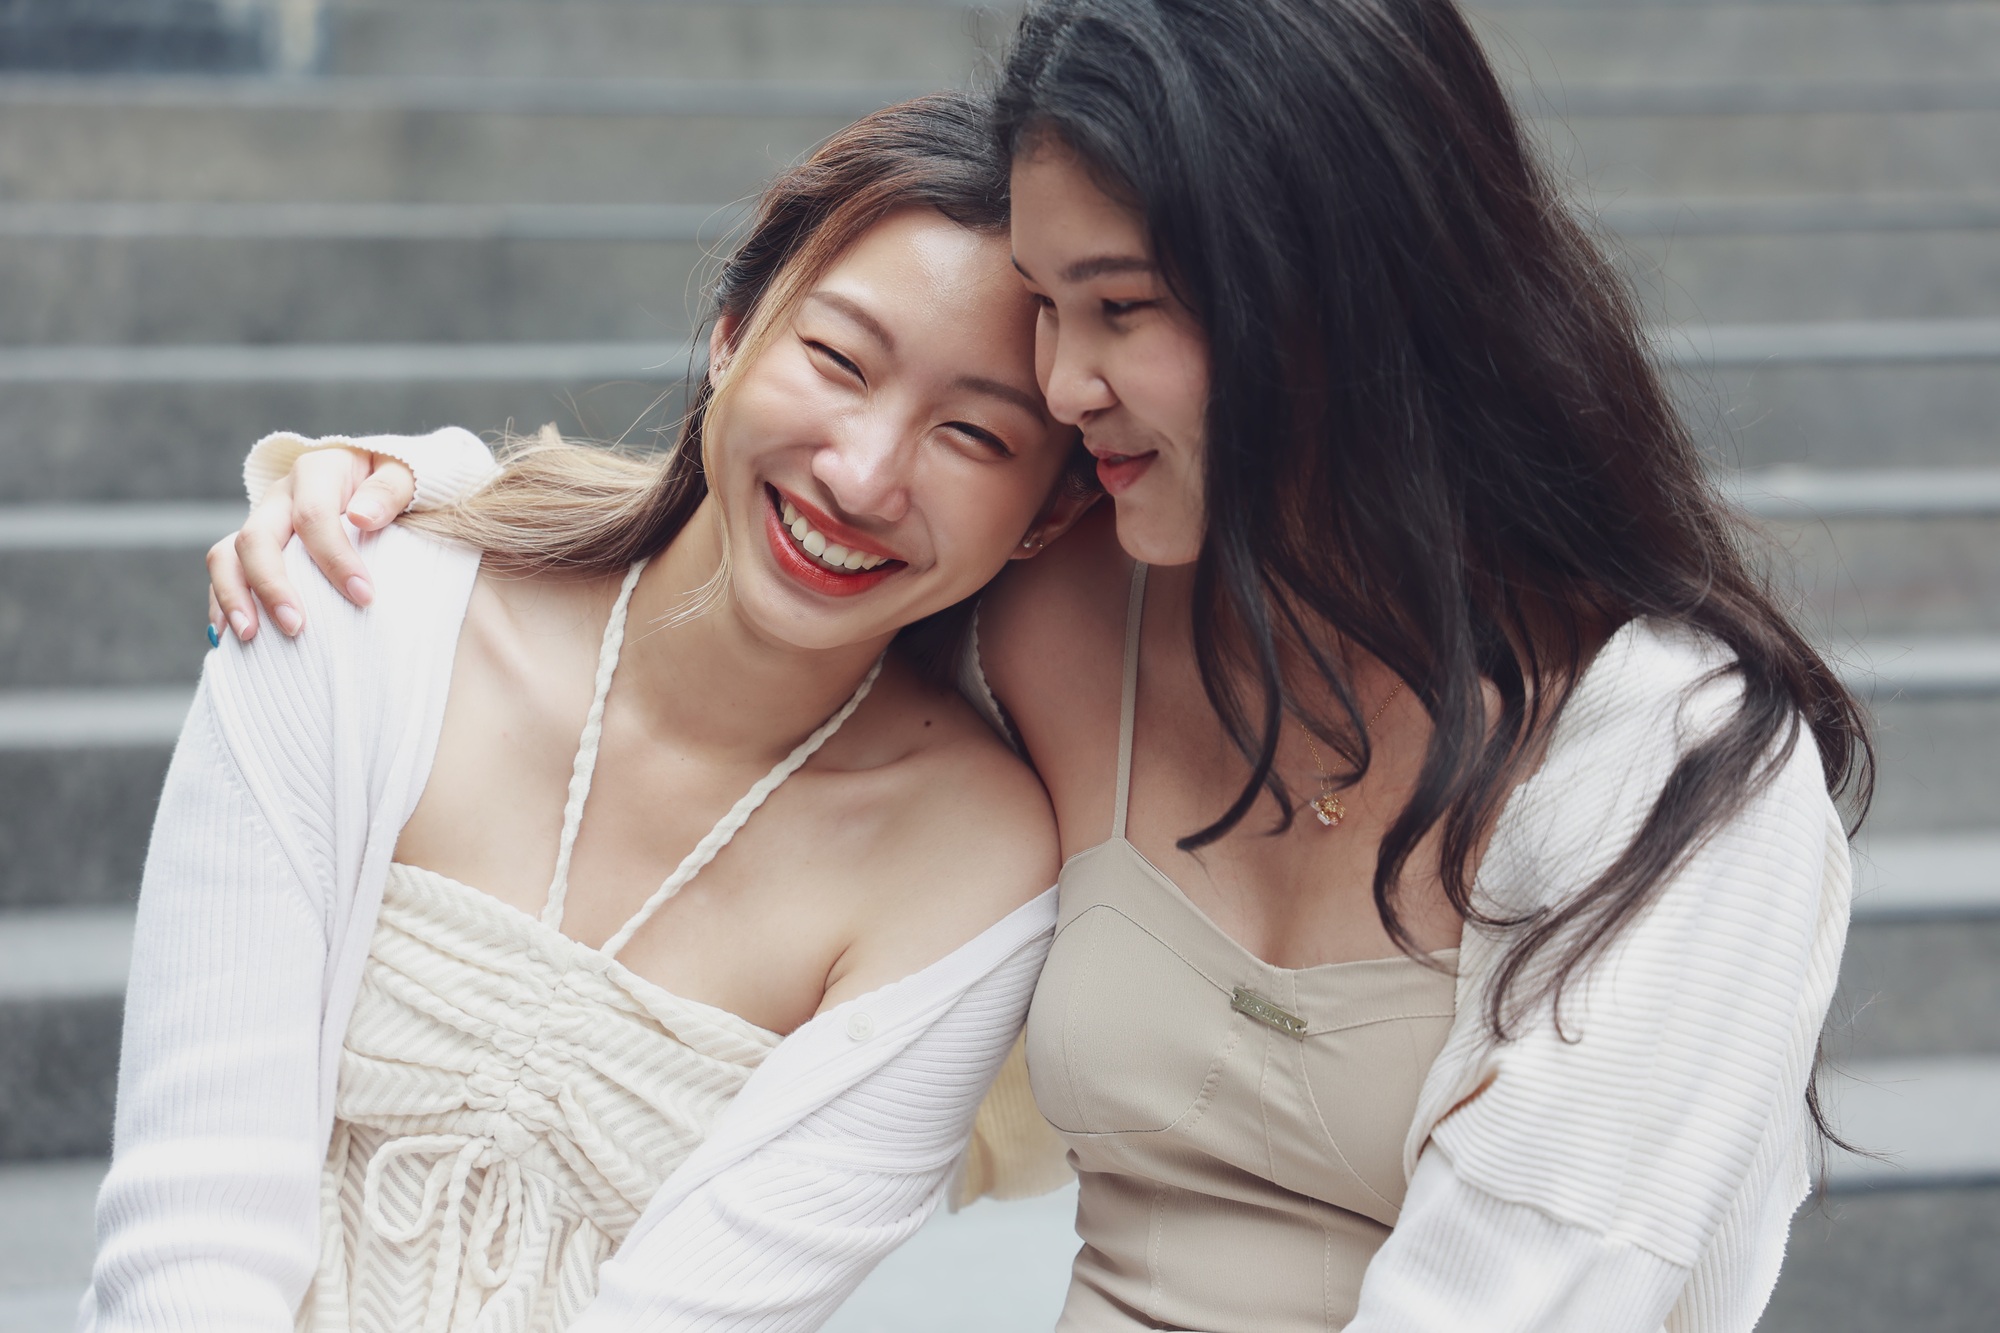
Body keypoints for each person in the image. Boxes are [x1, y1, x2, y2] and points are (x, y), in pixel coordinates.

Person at [212, 0, 1872, 1328]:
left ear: (1338, 297)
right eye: (1053, 310)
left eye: (1120, 306)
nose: (1066, 381)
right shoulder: (1082, 607)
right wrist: (419, 492)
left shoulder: (1676, 766)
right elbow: (772, 542)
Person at [90, 93, 1101, 1333]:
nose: (862, 474)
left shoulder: (973, 869)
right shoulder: (353, 605)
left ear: (1048, 515)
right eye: (837, 360)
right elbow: (193, 1232)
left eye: (974, 435)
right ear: (732, 330)